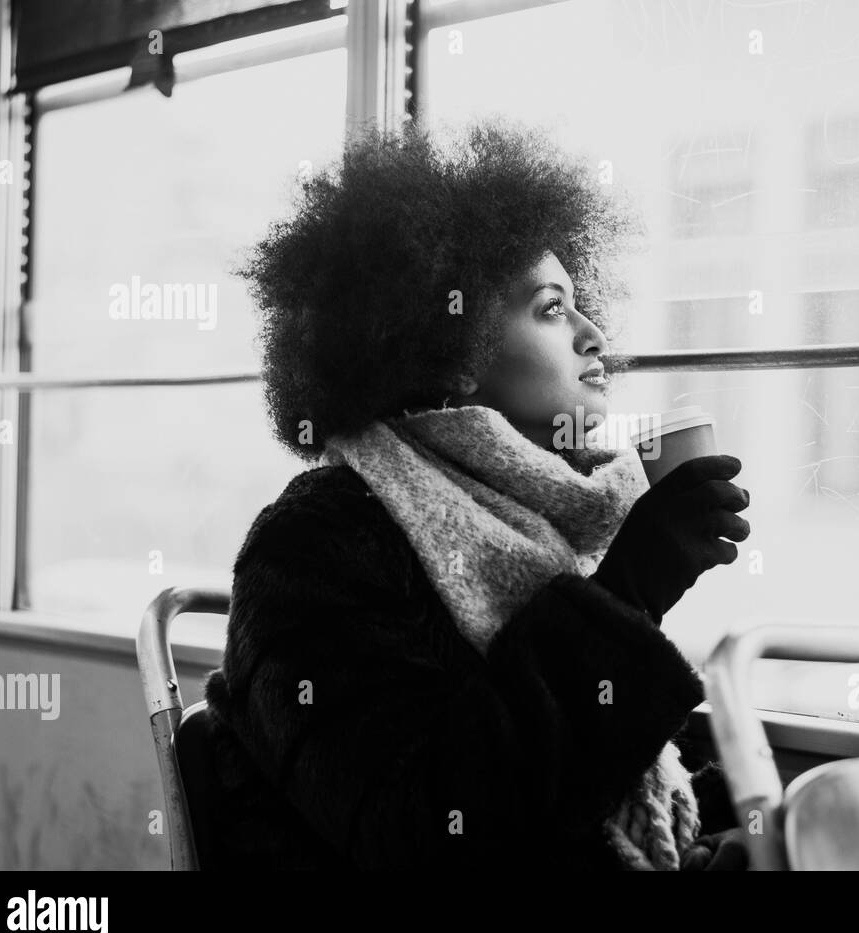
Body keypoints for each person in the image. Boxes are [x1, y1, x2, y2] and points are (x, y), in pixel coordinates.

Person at [199, 115, 753, 871]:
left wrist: (752, 808)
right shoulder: (311, 547)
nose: (594, 334)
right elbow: (426, 828)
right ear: (448, 349)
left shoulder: (543, 523)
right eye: (551, 308)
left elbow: (584, 789)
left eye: (579, 303)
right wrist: (630, 592)